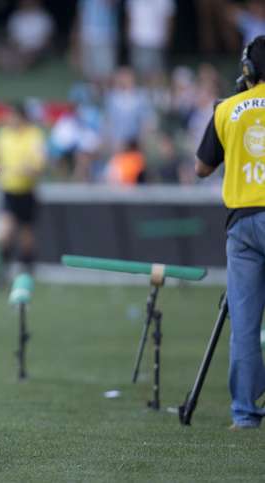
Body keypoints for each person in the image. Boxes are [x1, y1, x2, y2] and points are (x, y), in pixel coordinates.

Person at [195, 35, 265, 430]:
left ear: (247, 69)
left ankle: (244, 414)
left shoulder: (227, 109)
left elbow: (201, 168)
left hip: (241, 225)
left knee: (245, 324)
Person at [0, 103, 46, 286]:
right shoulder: (3, 135)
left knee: (26, 237)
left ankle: (27, 273)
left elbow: (38, 164)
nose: (10, 120)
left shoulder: (34, 134)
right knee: (5, 233)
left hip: (27, 191)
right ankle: (3, 273)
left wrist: (30, 169)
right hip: (9, 191)